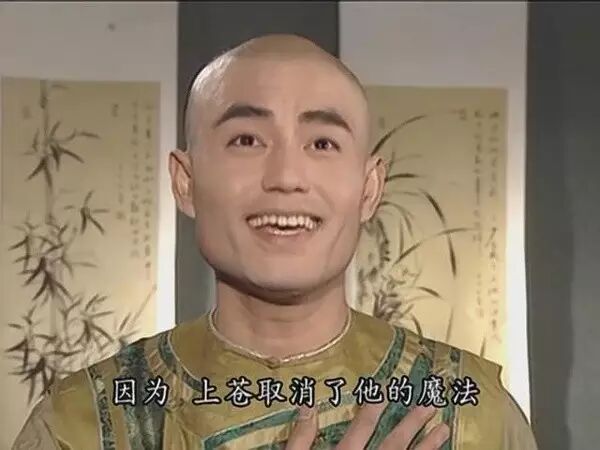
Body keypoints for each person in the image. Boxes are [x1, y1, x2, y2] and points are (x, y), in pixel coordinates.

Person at [12, 34, 538, 450]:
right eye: (246, 140)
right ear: (185, 182)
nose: (286, 176)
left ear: (369, 189)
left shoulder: (471, 415)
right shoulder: (82, 420)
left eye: (322, 143)